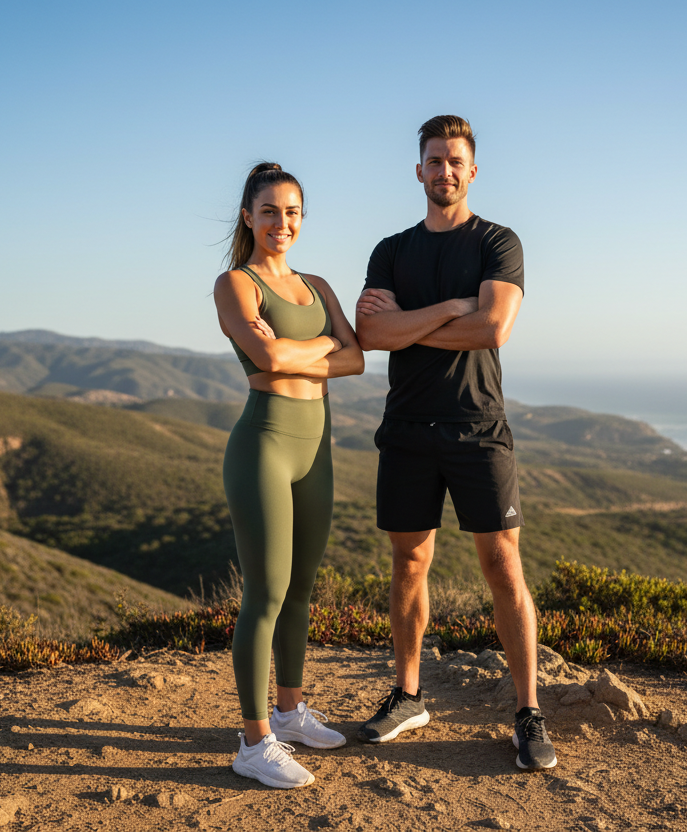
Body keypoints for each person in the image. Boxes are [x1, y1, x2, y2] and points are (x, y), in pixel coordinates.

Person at [354, 116, 556, 771]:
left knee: (503, 567)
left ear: (472, 171)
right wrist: (447, 310)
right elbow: (371, 336)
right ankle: (409, 695)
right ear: (419, 170)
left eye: (455, 161)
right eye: (433, 161)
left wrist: (408, 324)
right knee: (408, 565)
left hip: (478, 431)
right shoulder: (390, 251)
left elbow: (493, 329)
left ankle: (528, 712)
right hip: (407, 431)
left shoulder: (500, 243)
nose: (444, 171)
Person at [213, 161, 365, 788]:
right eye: (270, 211)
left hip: (317, 446)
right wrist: (321, 348)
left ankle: (291, 710)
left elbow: (357, 359)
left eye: (293, 212)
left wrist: (308, 353)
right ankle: (253, 743)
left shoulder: (318, 284)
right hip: (265, 447)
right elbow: (269, 356)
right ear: (248, 215)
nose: (282, 223)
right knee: (266, 594)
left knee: (302, 589)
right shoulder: (236, 284)